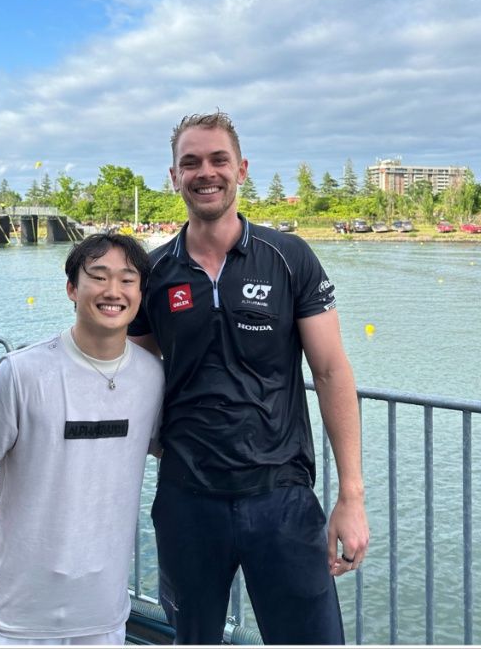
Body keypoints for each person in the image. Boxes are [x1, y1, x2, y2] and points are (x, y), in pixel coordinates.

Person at [127, 111, 369, 644]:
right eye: (190, 163)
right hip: (187, 498)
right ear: (174, 176)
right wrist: (26, 374)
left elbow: (331, 371)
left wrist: (351, 496)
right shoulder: (155, 273)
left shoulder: (289, 258)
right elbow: (118, 364)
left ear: (241, 169)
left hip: (281, 498)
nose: (205, 172)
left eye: (218, 160)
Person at [0, 233, 162, 645]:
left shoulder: (154, 379)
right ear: (71, 288)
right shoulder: (20, 373)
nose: (112, 291)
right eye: (98, 277)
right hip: (11, 614)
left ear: (141, 293)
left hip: (101, 615)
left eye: (127, 280)